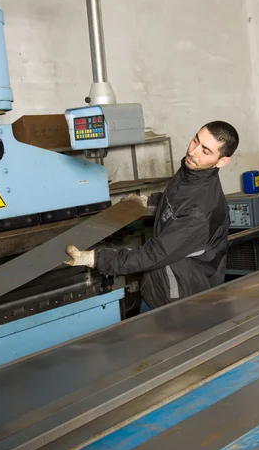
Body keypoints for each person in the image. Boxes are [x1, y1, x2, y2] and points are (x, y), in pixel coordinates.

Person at [65, 120, 239, 312]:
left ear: (222, 161)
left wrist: (97, 259)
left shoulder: (201, 211)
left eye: (205, 151)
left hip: (178, 300)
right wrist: (148, 202)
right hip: (157, 284)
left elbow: (154, 254)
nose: (192, 152)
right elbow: (175, 200)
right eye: (195, 141)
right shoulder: (191, 172)